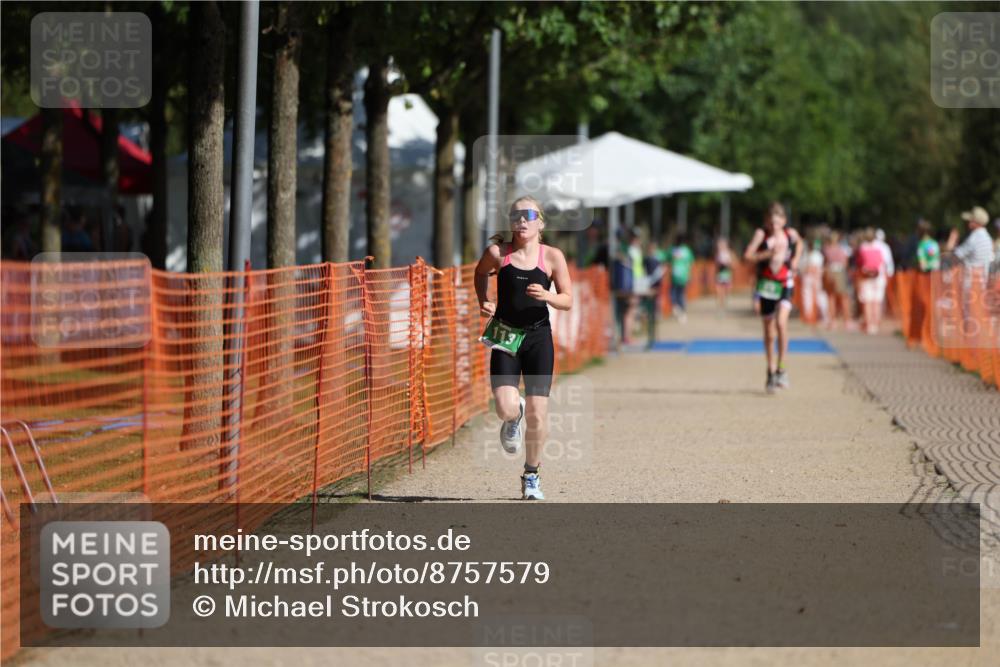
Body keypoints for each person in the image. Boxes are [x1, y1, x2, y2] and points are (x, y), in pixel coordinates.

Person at [475, 195, 573, 500]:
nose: (521, 220)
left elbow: (567, 299)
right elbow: (479, 274)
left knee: (538, 414)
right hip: (505, 335)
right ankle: (512, 417)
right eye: (515, 214)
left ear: (540, 222)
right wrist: (484, 300)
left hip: (538, 338)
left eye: (528, 214)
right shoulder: (497, 253)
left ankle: (532, 475)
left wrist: (548, 296)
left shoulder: (553, 257)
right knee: (505, 407)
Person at [743, 202, 802, 393]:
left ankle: (782, 367)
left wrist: (795, 260)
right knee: (769, 331)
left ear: (784, 221)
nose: (775, 223)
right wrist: (766, 254)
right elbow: (748, 255)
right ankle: (770, 370)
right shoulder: (761, 235)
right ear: (767, 221)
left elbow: (800, 244)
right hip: (767, 284)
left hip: (785, 282)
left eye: (779, 220)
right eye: (771, 220)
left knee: (781, 323)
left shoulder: (790, 234)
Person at [946, 206, 995, 276]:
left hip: (970, 281)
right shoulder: (988, 237)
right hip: (982, 280)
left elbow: (955, 256)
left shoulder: (974, 238)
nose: (968, 222)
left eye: (971, 220)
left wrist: (952, 240)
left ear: (976, 222)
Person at [856, 228, 887, 335]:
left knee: (868, 302)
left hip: (866, 276)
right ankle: (875, 324)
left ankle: (869, 324)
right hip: (878, 277)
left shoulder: (862, 247)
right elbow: (885, 262)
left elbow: (859, 263)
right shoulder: (881, 247)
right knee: (877, 302)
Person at [822, 231, 852, 329]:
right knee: (844, 298)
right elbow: (845, 263)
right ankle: (847, 321)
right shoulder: (842, 249)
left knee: (831, 298)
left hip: (830, 272)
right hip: (840, 272)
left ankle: (833, 321)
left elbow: (825, 263)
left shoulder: (826, 249)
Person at [641, 239, 667, 347]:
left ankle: (654, 335)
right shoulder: (648, 260)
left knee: (655, 313)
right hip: (648, 289)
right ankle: (649, 335)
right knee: (648, 313)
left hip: (655, 289)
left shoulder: (657, 260)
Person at [667, 233, 694, 323]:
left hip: (679, 276)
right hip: (678, 276)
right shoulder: (684, 250)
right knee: (677, 294)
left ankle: (681, 311)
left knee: (678, 295)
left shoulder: (677, 250)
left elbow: (690, 263)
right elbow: (690, 264)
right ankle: (679, 310)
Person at [714, 237, 734, 311]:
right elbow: (716, 265)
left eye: (722, 244)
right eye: (719, 245)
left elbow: (733, 264)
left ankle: (725, 302)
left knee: (726, 291)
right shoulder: (717, 254)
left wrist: (727, 264)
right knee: (718, 291)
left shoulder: (729, 253)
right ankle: (720, 306)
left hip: (727, 274)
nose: (720, 246)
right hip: (719, 274)